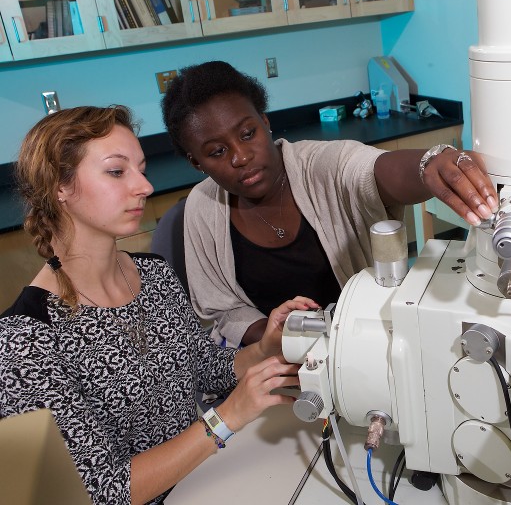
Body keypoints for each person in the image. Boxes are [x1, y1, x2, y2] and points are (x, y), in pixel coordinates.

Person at [0, 105, 317, 505]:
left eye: (141, 168)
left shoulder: (152, 274)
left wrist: (263, 348)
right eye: (117, 172)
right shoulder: (24, 341)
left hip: (204, 478)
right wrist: (226, 418)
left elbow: (202, 369)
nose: (145, 187)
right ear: (59, 187)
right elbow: (102, 494)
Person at [162, 61, 498, 347]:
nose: (241, 156)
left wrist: (428, 164)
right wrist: (278, 338)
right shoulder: (202, 208)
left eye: (248, 133)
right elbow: (224, 311)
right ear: (197, 163)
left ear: (265, 123)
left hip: (364, 346)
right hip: (278, 365)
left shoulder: (320, 166)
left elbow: (367, 169)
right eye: (217, 152)